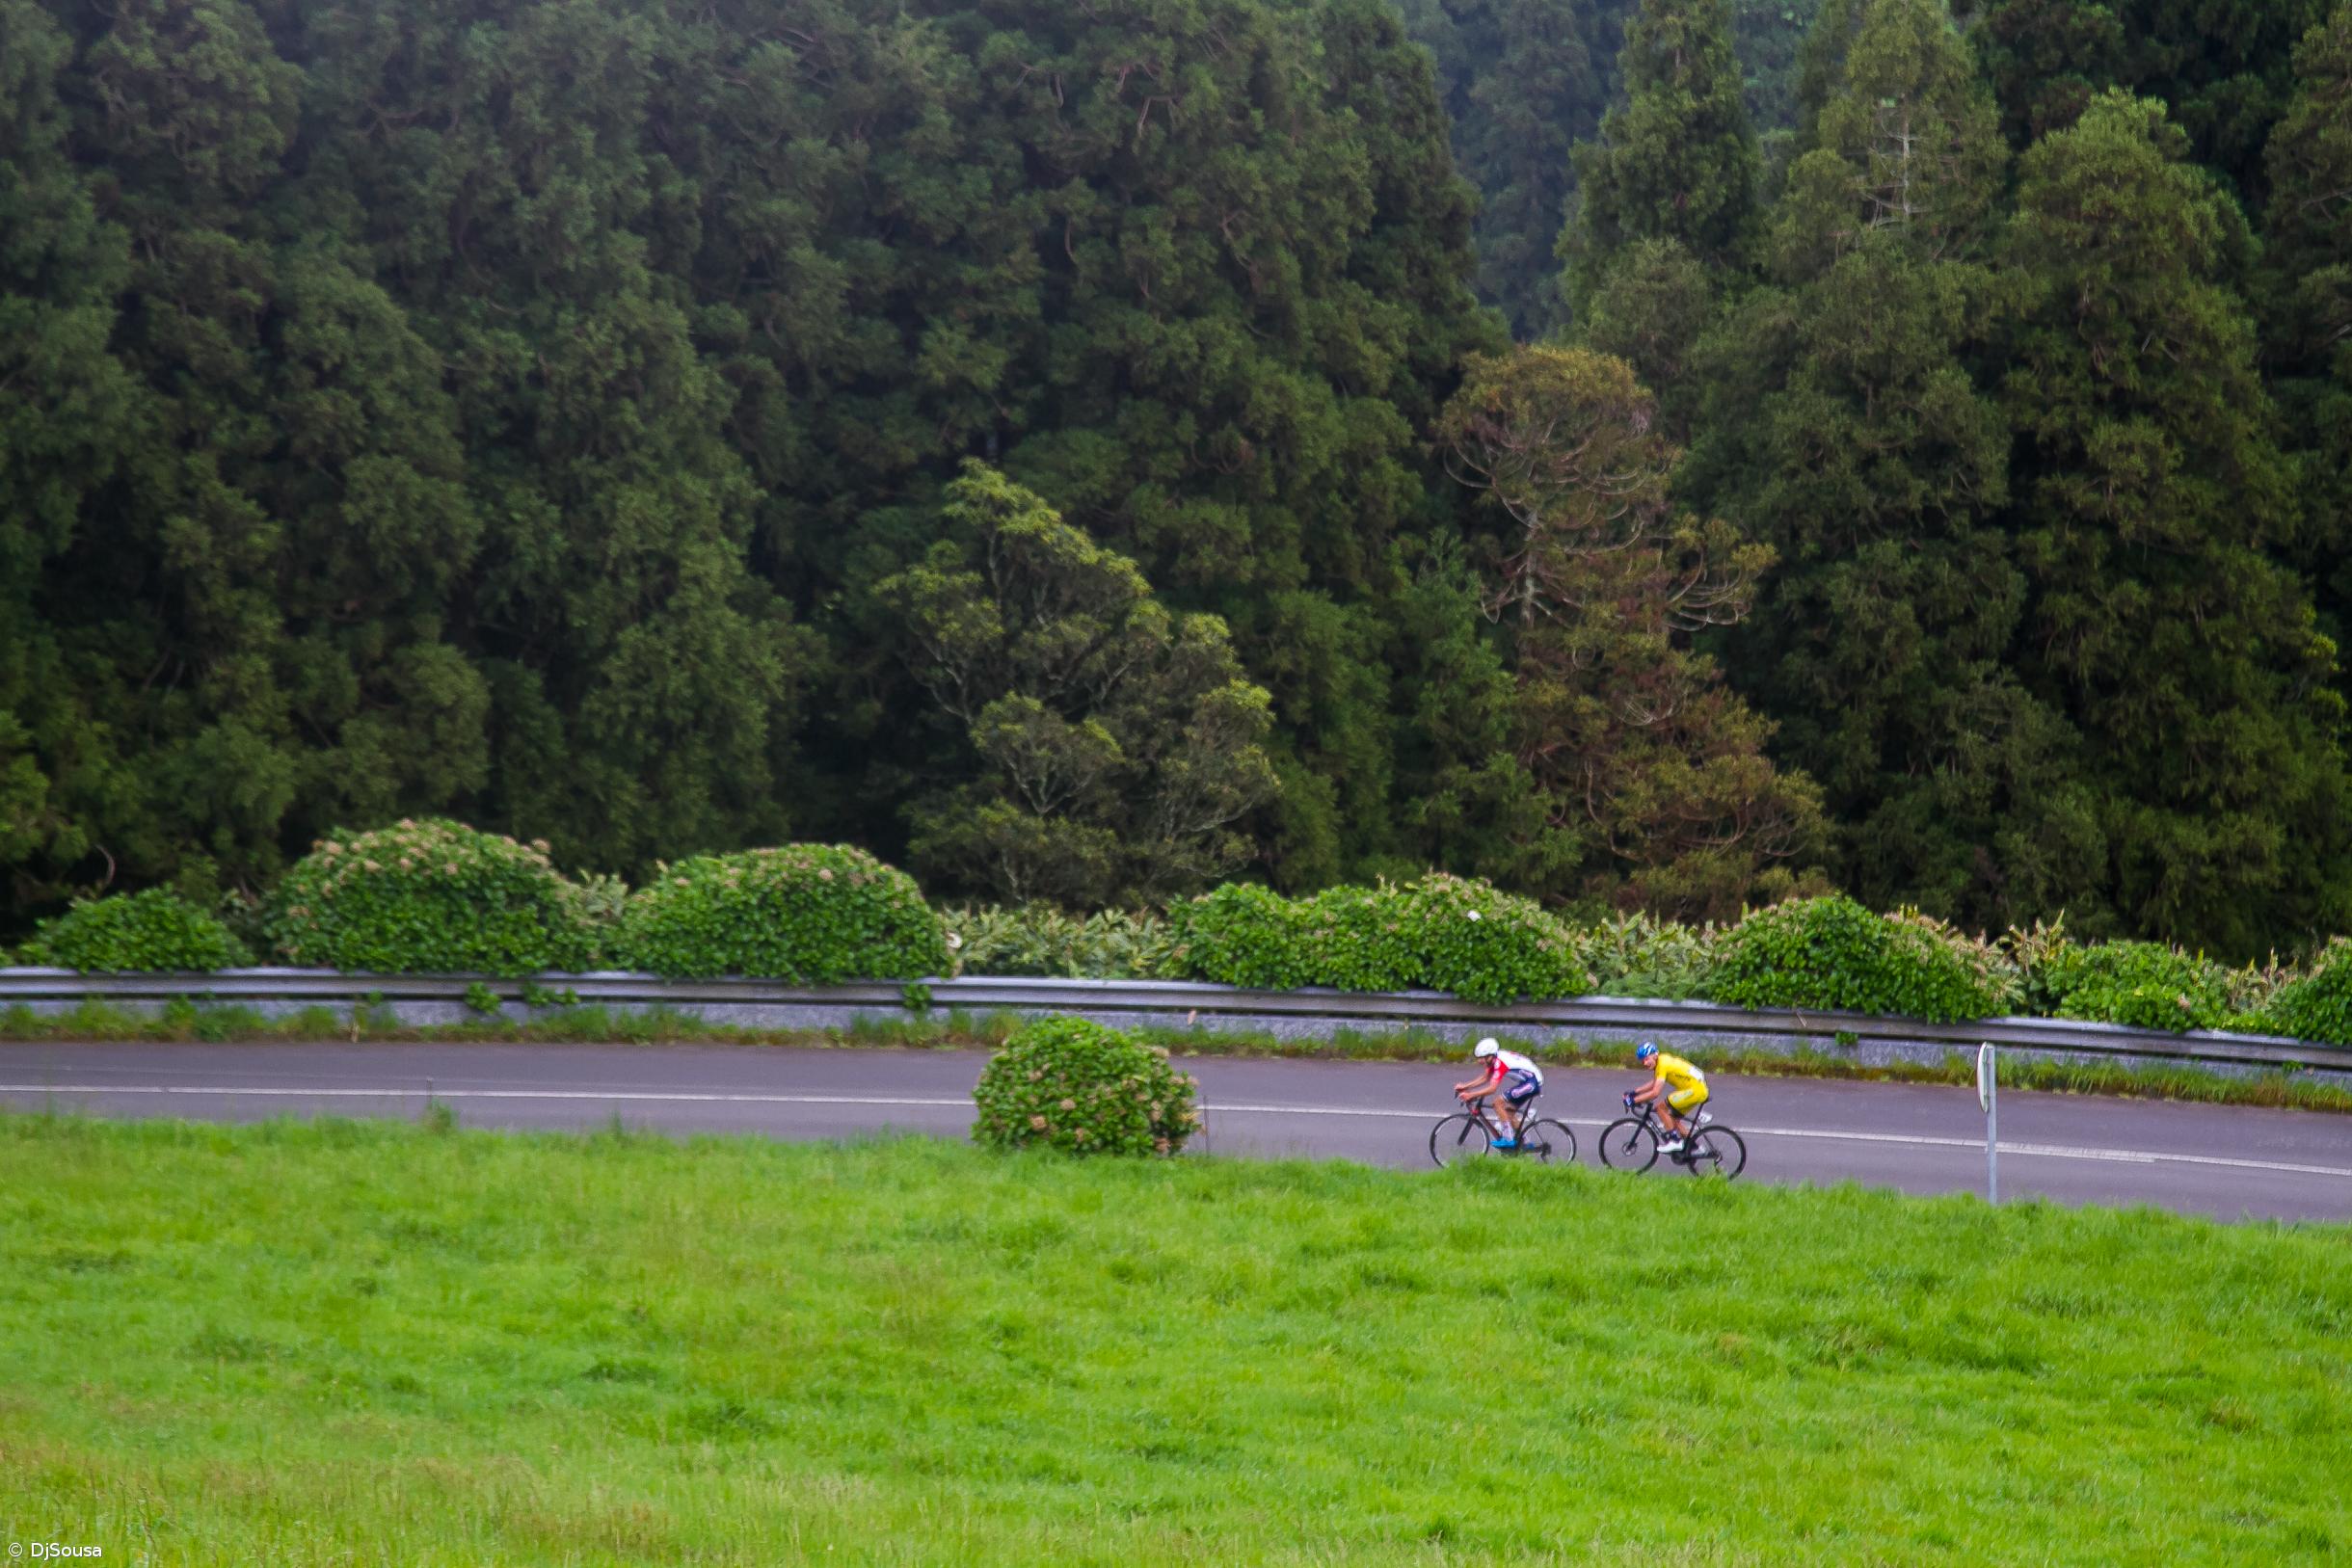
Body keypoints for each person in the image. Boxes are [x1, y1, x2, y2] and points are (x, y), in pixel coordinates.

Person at [1454, 1037, 1544, 1149]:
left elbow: (1492, 1088)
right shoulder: (1494, 1059)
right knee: (1508, 1112)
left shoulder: (1500, 1063)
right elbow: (1485, 1078)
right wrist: (1465, 1086)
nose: (1479, 1061)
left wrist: (1471, 1095)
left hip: (1532, 1082)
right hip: (1528, 1081)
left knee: (1497, 1103)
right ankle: (1525, 1142)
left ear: (1489, 1056)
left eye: (1481, 1058)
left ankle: (1508, 1139)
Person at [1627, 1040, 1707, 1153]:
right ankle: (1694, 1146)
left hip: (1694, 1090)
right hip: (1697, 1089)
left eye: (1646, 1059)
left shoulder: (1663, 1064)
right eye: (1642, 1061)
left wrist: (1634, 1100)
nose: (1644, 1063)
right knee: (1673, 1119)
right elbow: (1655, 1082)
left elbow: (1655, 1092)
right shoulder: (1662, 1060)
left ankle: (1674, 1141)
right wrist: (1635, 1092)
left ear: (1654, 1055)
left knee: (1661, 1108)